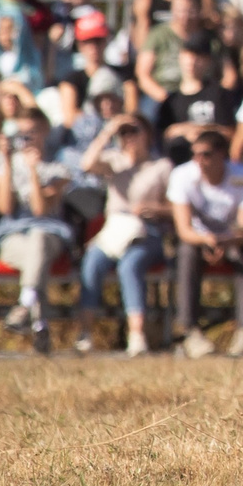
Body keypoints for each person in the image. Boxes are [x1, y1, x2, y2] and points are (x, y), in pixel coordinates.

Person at [76, 113, 171, 355]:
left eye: (134, 131)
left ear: (147, 134)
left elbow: (177, 207)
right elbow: (86, 165)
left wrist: (155, 209)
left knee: (130, 266)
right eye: (124, 133)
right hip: (114, 231)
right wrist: (108, 131)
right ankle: (85, 333)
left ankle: (136, 335)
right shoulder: (114, 162)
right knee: (92, 263)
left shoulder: (161, 167)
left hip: (147, 232)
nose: (128, 137)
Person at [169, 127, 243, 357]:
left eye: (206, 154)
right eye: (196, 154)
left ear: (223, 154)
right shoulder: (182, 175)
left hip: (234, 240)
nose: (199, 160)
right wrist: (207, 240)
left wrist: (224, 242)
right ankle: (189, 330)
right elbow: (183, 230)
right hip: (198, 240)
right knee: (186, 253)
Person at [0, 115, 75, 353]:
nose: (25, 141)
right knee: (35, 259)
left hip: (50, 233)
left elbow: (39, 209)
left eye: (31, 134)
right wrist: (5, 162)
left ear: (45, 132)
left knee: (38, 237)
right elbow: (5, 208)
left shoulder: (59, 167)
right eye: (21, 135)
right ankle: (39, 324)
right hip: (13, 235)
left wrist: (34, 170)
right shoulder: (6, 166)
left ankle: (25, 305)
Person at [156, 39, 236, 162]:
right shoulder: (171, 101)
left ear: (208, 61)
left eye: (198, 56)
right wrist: (182, 130)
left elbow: (231, 133)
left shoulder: (219, 94)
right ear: (180, 57)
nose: (192, 61)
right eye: (188, 55)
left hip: (216, 163)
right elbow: (163, 135)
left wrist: (199, 131)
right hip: (179, 163)